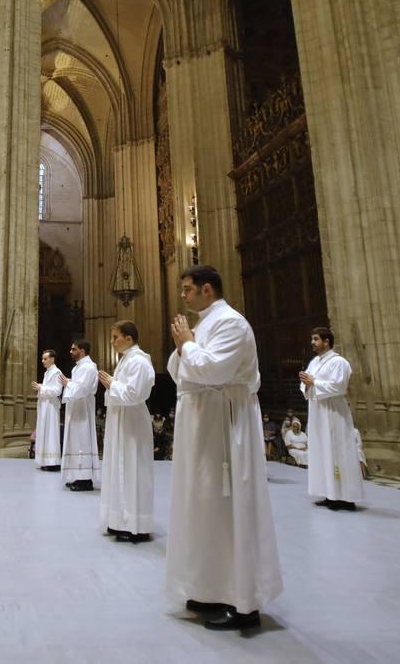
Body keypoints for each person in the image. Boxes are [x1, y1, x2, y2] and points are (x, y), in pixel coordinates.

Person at [166, 264, 282, 633]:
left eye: (187, 289)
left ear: (207, 289)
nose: (183, 296)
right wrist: (185, 345)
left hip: (225, 427)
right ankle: (210, 587)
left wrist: (186, 343)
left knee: (230, 508)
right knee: (205, 507)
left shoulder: (231, 323)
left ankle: (242, 601)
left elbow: (212, 370)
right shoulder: (205, 323)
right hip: (204, 426)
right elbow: (181, 370)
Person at [99, 321, 154, 543]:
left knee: (133, 470)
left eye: (115, 337)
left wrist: (112, 384)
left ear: (129, 338)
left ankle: (136, 524)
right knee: (119, 469)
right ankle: (120, 520)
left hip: (132, 424)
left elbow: (135, 394)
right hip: (121, 421)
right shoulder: (125, 361)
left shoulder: (139, 362)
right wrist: (111, 386)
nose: (112, 342)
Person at [300, 327, 363, 511]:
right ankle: (330, 493)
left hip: (333, 413)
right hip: (318, 411)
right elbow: (305, 386)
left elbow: (339, 387)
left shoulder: (339, 362)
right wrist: (306, 383)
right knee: (322, 452)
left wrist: (314, 383)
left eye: (316, 339)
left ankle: (345, 497)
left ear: (326, 341)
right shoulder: (314, 363)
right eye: (312, 339)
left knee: (338, 452)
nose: (313, 342)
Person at [59, 339, 100, 491]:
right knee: (75, 442)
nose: (71, 351)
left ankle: (85, 480)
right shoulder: (78, 368)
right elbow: (77, 385)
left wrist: (67, 384)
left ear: (82, 351)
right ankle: (76, 475)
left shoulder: (89, 367)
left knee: (82, 442)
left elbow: (82, 388)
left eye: (73, 349)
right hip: (76, 408)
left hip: (83, 409)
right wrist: (69, 382)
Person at [30, 349, 62, 471]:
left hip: (51, 408)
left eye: (45, 358)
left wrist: (41, 387)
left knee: (51, 433)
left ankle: (53, 462)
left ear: (52, 359)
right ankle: (46, 461)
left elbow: (57, 390)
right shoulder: (47, 372)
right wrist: (40, 388)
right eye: (42, 358)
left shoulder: (57, 372)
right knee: (45, 432)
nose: (42, 361)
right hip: (45, 406)